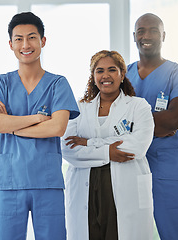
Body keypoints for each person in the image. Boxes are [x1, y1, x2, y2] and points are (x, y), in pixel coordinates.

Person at [0, 12, 79, 240]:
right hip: (10, 182)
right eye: (18, 39)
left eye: (31, 37)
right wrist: (36, 118)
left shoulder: (58, 83)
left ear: (43, 41)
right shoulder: (2, 82)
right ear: (10, 44)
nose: (25, 45)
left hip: (47, 182)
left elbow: (57, 128)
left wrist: (12, 125)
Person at [61, 50, 154, 240]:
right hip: (87, 186)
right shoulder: (78, 108)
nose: (106, 75)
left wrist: (88, 143)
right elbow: (67, 148)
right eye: (99, 70)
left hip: (125, 184)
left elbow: (137, 146)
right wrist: (107, 151)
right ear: (93, 76)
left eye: (112, 70)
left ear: (122, 74)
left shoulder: (138, 106)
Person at [127, 13, 178, 240]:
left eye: (154, 31)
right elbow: (108, 120)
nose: (146, 36)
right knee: (130, 233)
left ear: (164, 36)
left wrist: (128, 124)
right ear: (134, 36)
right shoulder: (122, 75)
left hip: (167, 170)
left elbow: (173, 121)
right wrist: (154, 124)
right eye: (141, 31)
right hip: (129, 167)